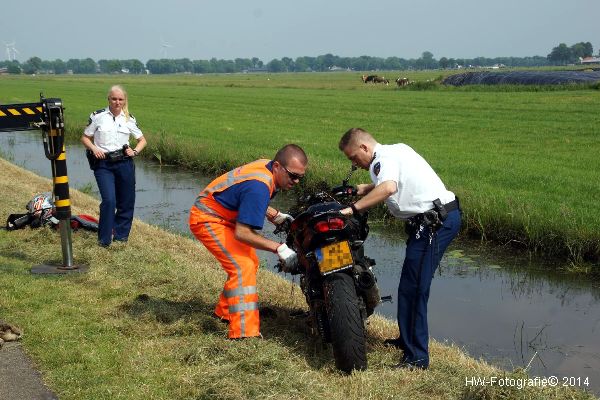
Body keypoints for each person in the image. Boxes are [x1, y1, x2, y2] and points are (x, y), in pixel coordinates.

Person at [337, 128, 461, 370]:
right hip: (430, 221)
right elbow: (389, 182)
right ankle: (407, 341)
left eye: (353, 157)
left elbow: (389, 187)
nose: (354, 163)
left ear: (364, 148)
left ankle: (417, 358)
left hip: (434, 222)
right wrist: (363, 189)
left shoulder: (381, 161)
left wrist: (352, 209)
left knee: (415, 288)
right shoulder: (395, 150)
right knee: (407, 284)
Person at [189, 144, 307, 339]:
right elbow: (243, 233)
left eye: (300, 178)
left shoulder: (266, 167)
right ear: (277, 166)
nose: (296, 181)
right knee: (242, 266)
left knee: (251, 262)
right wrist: (279, 248)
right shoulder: (260, 185)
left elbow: (246, 195)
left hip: (226, 217)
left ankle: (225, 312)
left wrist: (273, 214)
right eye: (292, 175)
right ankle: (244, 333)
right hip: (207, 218)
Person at [81, 85, 147, 247]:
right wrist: (94, 149)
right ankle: (104, 240)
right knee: (109, 200)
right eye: (114, 99)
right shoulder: (98, 116)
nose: (117, 102)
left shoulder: (129, 119)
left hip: (124, 163)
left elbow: (142, 140)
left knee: (126, 202)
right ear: (108, 99)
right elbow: (85, 138)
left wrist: (135, 151)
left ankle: (120, 237)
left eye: (120, 99)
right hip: (103, 164)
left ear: (125, 101)